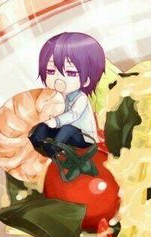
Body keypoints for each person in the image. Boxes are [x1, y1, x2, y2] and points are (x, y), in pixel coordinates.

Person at [28, 31, 105, 159]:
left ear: (86, 80)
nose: (59, 79)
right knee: (43, 127)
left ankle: (54, 153)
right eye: (50, 71)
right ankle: (38, 147)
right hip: (66, 134)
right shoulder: (59, 97)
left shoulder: (81, 98)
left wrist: (55, 121)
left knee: (68, 129)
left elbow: (73, 114)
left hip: (85, 139)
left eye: (71, 73)